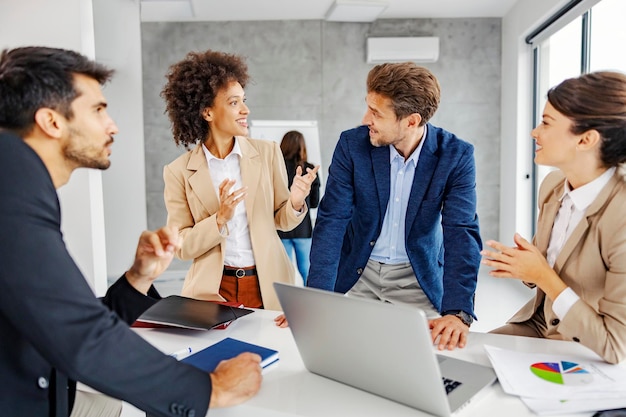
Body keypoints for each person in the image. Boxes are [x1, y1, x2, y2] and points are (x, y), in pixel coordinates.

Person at [0, 46, 262, 417]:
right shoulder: (11, 182)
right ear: (52, 122)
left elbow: (62, 318)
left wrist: (138, 278)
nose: (113, 126)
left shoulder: (20, 179)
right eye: (98, 110)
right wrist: (210, 390)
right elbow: (81, 336)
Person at [304, 63, 482, 351]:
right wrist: (317, 297)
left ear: (411, 121)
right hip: (359, 274)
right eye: (368, 108)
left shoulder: (456, 156)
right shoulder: (352, 145)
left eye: (376, 113)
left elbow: (461, 232)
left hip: (416, 277)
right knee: (345, 356)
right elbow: (332, 219)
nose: (365, 119)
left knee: (415, 364)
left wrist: (458, 312)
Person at [481, 71, 626, 364]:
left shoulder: (621, 214)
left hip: (590, 347)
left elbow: (615, 346)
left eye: (546, 123)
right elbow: (541, 278)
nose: (535, 132)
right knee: (462, 359)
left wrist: (541, 274)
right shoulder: (552, 186)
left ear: (585, 139)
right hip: (539, 326)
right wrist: (523, 267)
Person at [161, 50, 319, 311]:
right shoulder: (178, 171)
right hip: (213, 290)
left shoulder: (267, 152)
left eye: (243, 100)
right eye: (234, 102)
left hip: (267, 284)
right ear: (207, 112)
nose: (245, 110)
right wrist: (219, 219)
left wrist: (296, 201)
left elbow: (281, 220)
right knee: (221, 354)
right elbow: (182, 247)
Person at [278, 130, 321, 285]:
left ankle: (284, 305)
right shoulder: (310, 170)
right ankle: (310, 305)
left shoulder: (277, 169)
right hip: (303, 228)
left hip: (281, 227)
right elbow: (315, 203)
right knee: (307, 271)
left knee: (284, 272)